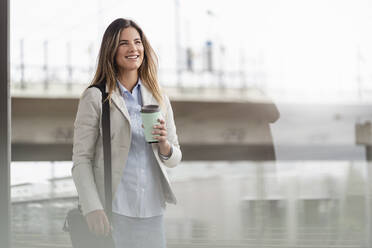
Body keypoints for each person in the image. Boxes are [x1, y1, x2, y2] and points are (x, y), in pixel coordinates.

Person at [71, 18, 182, 248]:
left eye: (137, 42)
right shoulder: (95, 97)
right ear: (111, 50)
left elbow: (175, 157)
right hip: (113, 212)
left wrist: (164, 146)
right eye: (124, 43)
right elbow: (81, 159)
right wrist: (93, 207)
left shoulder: (159, 97)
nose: (133, 49)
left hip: (152, 212)